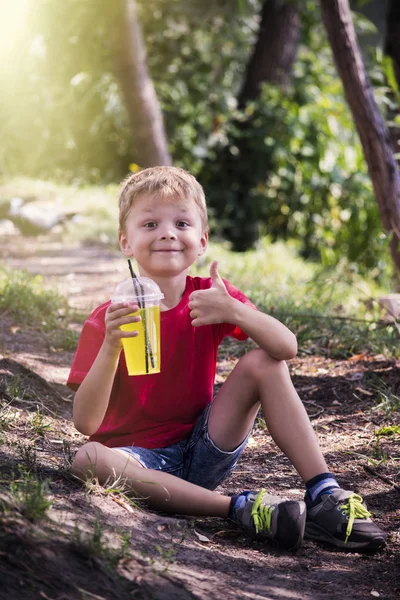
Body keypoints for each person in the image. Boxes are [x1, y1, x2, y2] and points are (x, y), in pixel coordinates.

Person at [68, 166, 387, 552]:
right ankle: (238, 508)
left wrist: (235, 311)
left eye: (181, 222)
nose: (167, 232)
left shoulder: (209, 297)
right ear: (125, 242)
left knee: (263, 362)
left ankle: (324, 494)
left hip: (204, 448)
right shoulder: (107, 318)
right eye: (150, 223)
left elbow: (286, 348)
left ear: (201, 241)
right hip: (135, 463)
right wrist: (112, 346)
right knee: (86, 458)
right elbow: (86, 422)